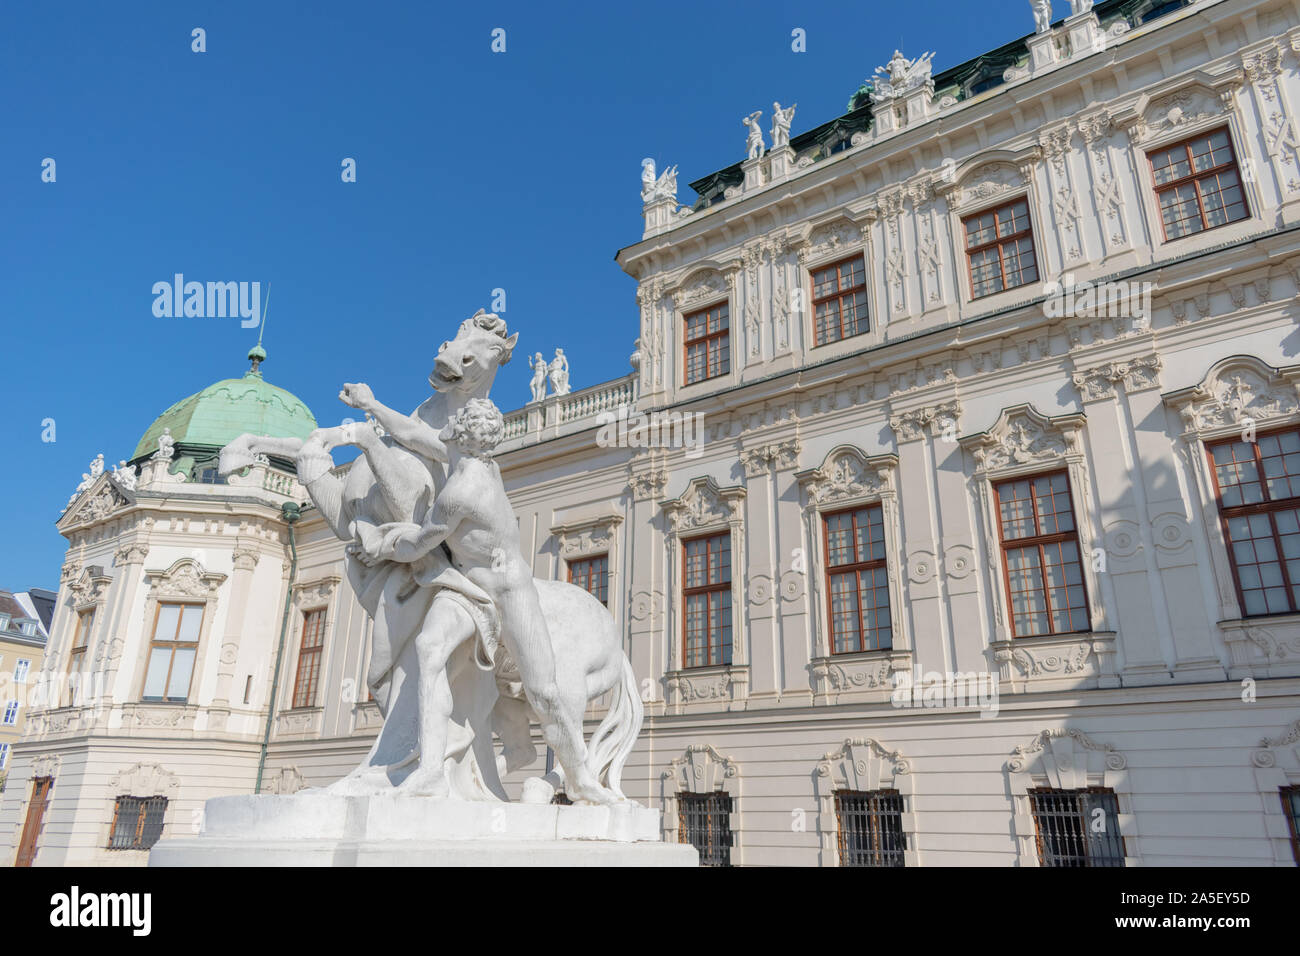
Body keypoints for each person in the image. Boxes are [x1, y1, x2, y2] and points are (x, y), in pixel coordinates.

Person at [357, 398, 610, 802]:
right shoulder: (474, 461)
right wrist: (371, 404)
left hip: (511, 596)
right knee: (430, 648)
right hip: (470, 591)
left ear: (458, 433)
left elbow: (419, 544)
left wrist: (379, 543)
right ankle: (429, 771)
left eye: (455, 418)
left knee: (546, 693)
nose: (449, 418)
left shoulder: (460, 492)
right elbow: (413, 434)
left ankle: (582, 779)